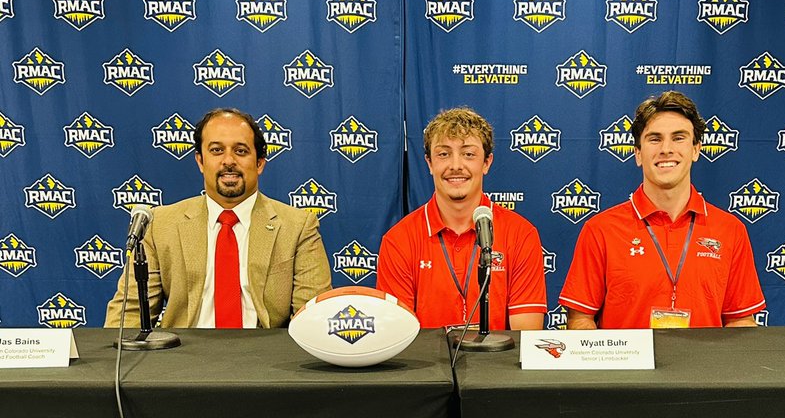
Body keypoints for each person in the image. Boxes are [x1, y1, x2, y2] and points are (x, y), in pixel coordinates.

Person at [104, 108, 331, 328]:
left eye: (241, 151)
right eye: (216, 150)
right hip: (181, 359)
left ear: (259, 163)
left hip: (266, 360)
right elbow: (130, 314)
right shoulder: (159, 225)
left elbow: (312, 319)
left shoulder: (298, 227)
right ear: (200, 161)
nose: (228, 160)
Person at [561, 91, 765, 329]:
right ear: (638, 153)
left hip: (705, 366)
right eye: (655, 139)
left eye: (679, 138)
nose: (666, 149)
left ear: (696, 150)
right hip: (625, 367)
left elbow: (740, 321)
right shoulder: (600, 230)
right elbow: (580, 319)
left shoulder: (730, 230)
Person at [376, 107, 547, 329]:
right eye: (444, 154)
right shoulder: (399, 240)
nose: (456, 166)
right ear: (429, 163)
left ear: (486, 163)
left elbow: (525, 337)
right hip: (427, 363)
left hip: (497, 363)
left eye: (468, 154)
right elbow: (397, 334)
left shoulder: (521, 234)